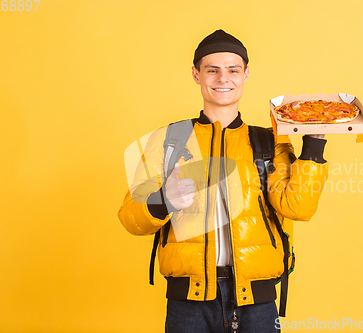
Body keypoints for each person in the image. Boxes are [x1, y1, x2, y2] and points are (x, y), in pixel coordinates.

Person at [118, 29, 329, 333]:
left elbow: (298, 208)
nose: (223, 79)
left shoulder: (269, 142)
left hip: (256, 300)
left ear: (245, 75)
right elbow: (130, 217)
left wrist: (313, 147)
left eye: (233, 70)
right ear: (196, 74)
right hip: (187, 302)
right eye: (212, 70)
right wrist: (164, 199)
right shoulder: (168, 141)